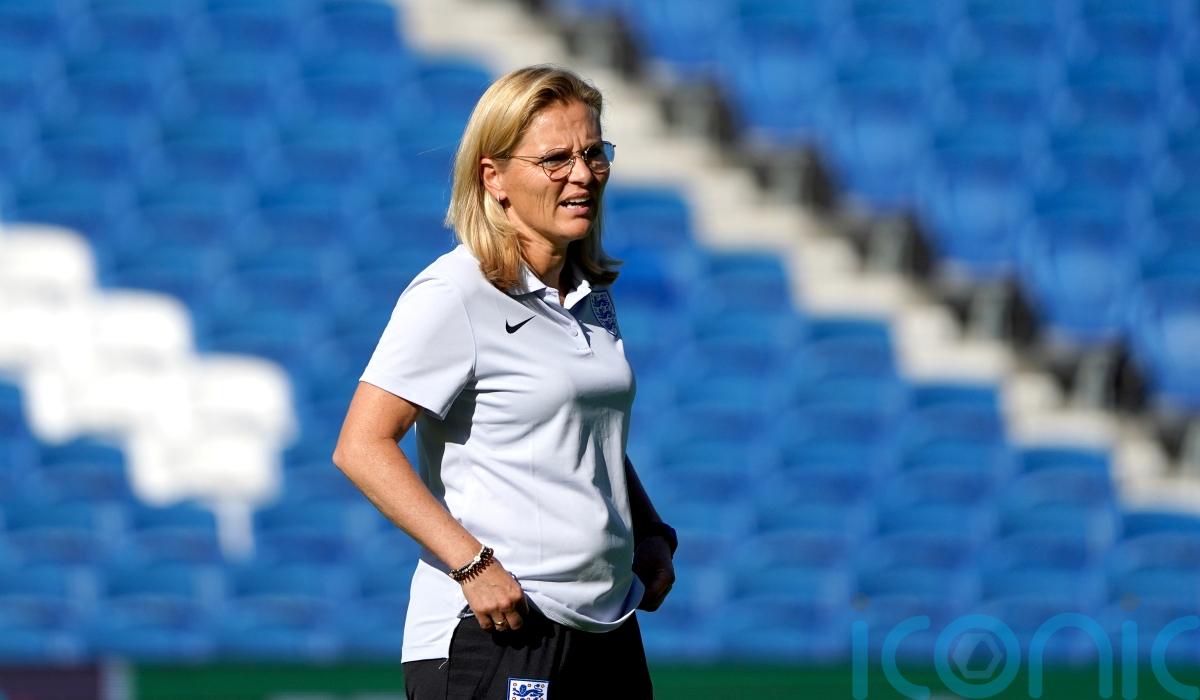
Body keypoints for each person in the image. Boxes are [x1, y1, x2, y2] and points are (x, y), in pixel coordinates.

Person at [332, 65, 677, 700]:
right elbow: (360, 446)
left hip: (607, 624)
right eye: (555, 159)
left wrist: (649, 529)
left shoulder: (589, 295)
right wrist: (472, 564)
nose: (582, 175)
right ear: (494, 178)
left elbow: (578, 435)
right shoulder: (454, 292)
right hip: (500, 628)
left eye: (592, 152)